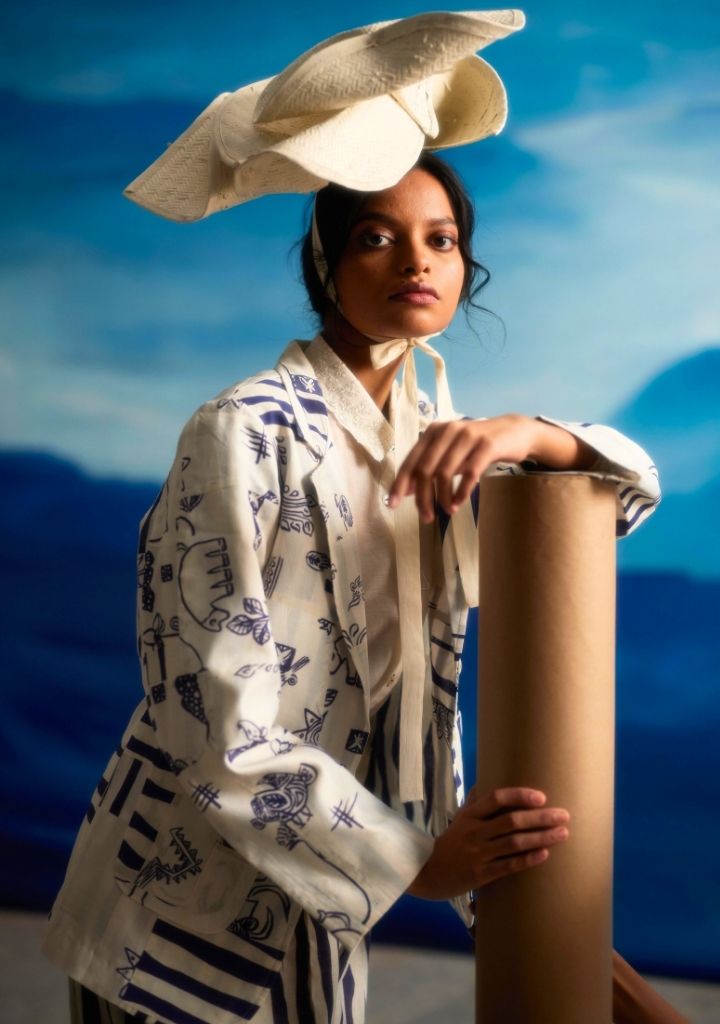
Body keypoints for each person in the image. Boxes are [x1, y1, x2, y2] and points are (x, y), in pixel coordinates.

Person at [42, 12, 688, 1024]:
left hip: (334, 901)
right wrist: (416, 862)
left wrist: (535, 433)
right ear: (327, 265)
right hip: (178, 902)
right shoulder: (242, 430)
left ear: (465, 267)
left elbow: (625, 496)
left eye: (441, 240)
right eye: (377, 238)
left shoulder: (444, 442)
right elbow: (213, 715)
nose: (415, 262)